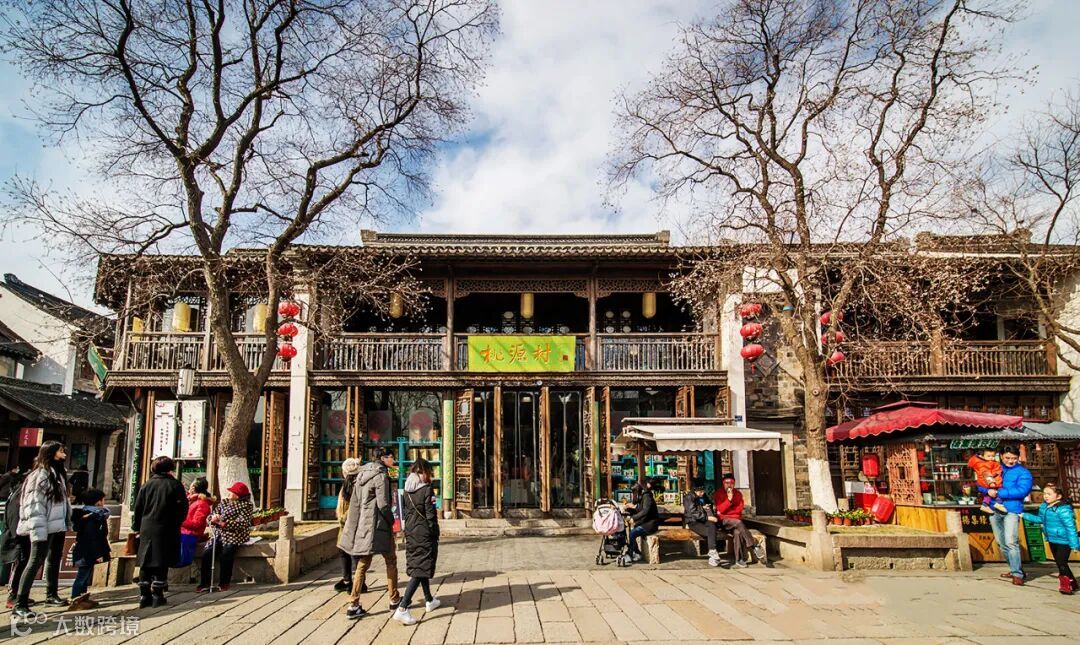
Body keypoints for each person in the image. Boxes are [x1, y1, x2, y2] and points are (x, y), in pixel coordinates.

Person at [339, 447, 400, 619]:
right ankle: (394, 599)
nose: (393, 460)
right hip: (379, 525)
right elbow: (383, 504)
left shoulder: (361, 474)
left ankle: (353, 603)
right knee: (390, 560)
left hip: (364, 525)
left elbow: (355, 502)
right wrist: (392, 522)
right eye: (391, 457)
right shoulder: (381, 475)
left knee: (363, 563)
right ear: (383, 458)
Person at [13, 441, 72, 618]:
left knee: (54, 559)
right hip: (43, 525)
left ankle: (51, 594)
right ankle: (20, 602)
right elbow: (34, 506)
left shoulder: (57, 474)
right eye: (60, 450)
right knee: (35, 562)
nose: (64, 453)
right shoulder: (39, 475)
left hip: (57, 525)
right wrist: (38, 530)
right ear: (51, 453)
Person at [132, 455, 188, 607]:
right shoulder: (174, 485)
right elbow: (182, 508)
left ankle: (144, 595)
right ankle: (157, 594)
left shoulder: (147, 484)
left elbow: (138, 508)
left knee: (145, 562)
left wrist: (136, 527)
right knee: (161, 561)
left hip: (146, 527)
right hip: (166, 527)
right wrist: (177, 522)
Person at [394, 458, 441, 625]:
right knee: (419, 569)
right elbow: (431, 516)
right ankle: (402, 608)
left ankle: (429, 599)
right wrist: (435, 533)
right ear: (425, 472)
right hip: (424, 534)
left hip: (411, 533)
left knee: (420, 565)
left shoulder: (406, 490)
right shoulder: (427, 489)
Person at [985, 444, 1032, 585]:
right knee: (1001, 543)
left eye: (1014, 458)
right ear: (1001, 456)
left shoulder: (1023, 473)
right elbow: (982, 482)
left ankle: (1017, 574)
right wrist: (986, 490)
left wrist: (1000, 493)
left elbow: (1023, 491)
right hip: (994, 508)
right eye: (1007, 458)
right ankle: (1014, 568)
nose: (1010, 461)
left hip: (1012, 509)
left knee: (1011, 541)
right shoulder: (995, 469)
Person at [197, 482, 255, 592]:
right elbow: (211, 516)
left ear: (237, 495)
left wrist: (223, 523)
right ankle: (204, 583)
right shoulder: (224, 502)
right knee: (207, 553)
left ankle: (224, 582)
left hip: (235, 534)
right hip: (219, 533)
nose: (229, 493)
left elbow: (242, 523)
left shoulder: (246, 505)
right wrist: (213, 518)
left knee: (226, 554)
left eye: (232, 492)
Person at [1021, 483, 1078, 595]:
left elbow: (1070, 528)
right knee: (1060, 563)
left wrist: (1074, 545)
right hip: (1052, 539)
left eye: (1049, 494)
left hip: (1064, 540)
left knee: (1061, 562)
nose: (1046, 496)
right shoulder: (1044, 507)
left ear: (1058, 496)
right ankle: (1073, 583)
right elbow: (1040, 519)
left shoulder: (1063, 509)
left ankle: (1065, 585)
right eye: (1044, 494)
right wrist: (1024, 515)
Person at [68, 488, 111, 610]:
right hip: (86, 551)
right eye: (103, 500)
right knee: (82, 576)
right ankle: (75, 599)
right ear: (98, 502)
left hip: (86, 551)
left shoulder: (94, 516)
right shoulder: (92, 518)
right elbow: (92, 537)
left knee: (85, 575)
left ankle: (82, 598)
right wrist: (98, 554)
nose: (104, 502)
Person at [713, 474, 766, 568]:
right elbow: (720, 509)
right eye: (726, 483)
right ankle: (753, 546)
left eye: (731, 483)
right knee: (738, 522)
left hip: (736, 522)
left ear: (734, 484)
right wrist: (729, 500)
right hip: (723, 522)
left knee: (737, 532)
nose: (729, 485)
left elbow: (739, 510)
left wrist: (727, 512)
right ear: (723, 484)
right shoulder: (718, 493)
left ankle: (739, 559)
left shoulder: (738, 494)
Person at [1, 469, 32, 610]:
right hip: (18, 537)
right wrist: (17, 536)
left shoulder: (21, 493)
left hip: (20, 535)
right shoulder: (19, 494)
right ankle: (13, 595)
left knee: (23, 564)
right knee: (19, 565)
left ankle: (20, 593)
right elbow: (14, 517)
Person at [334, 458, 363, 592]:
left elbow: (352, 507)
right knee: (352, 553)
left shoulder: (350, 485)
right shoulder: (357, 484)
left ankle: (352, 582)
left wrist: (343, 518)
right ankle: (356, 581)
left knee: (348, 552)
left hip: (349, 523)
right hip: (353, 523)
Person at [683, 483, 722, 567]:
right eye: (700, 491)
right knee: (711, 532)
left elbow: (709, 504)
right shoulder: (689, 498)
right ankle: (712, 552)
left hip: (703, 519)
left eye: (703, 491)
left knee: (712, 525)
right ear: (695, 491)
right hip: (693, 522)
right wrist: (707, 517)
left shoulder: (703, 496)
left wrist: (708, 507)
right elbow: (693, 513)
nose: (702, 493)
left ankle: (712, 552)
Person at [180, 477, 213, 567]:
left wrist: (179, 520)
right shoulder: (191, 501)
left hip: (189, 534)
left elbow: (196, 524)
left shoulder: (202, 504)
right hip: (184, 532)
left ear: (194, 488)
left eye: (191, 486)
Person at [625, 479, 660, 563]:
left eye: (634, 493)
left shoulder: (647, 497)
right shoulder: (643, 498)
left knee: (633, 533)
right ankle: (637, 553)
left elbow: (645, 511)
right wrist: (629, 509)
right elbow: (639, 510)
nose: (633, 495)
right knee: (632, 531)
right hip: (646, 523)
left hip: (650, 524)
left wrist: (634, 518)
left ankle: (630, 555)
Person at [967, 448, 1007, 514]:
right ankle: (998, 503)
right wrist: (991, 482)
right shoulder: (983, 464)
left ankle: (985, 505)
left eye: (993, 456)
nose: (991, 458)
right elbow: (986, 473)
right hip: (987, 482)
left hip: (987, 481)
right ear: (983, 456)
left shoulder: (988, 462)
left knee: (988, 495)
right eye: (988, 456)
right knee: (997, 491)